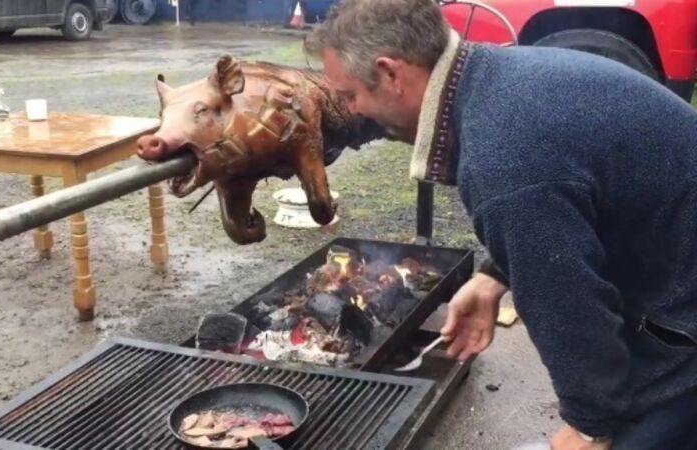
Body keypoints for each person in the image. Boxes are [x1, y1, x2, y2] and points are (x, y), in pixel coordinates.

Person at [298, 0, 697, 449]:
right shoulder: (495, 77)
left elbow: (567, 304)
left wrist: (590, 426)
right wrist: (493, 278)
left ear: (391, 74)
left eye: (350, 95)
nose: (351, 110)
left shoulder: (502, 155)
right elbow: (568, 202)